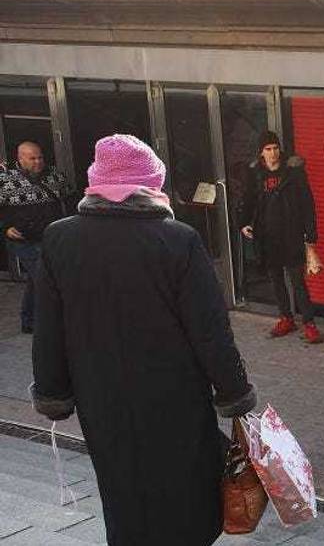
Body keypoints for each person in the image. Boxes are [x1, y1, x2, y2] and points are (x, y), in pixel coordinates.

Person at [29, 134, 256, 546]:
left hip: (101, 398)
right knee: (186, 494)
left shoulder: (60, 238)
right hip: (176, 397)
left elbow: (48, 329)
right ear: (151, 185)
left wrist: (53, 392)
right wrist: (234, 392)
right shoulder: (177, 240)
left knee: (124, 490)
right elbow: (210, 331)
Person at [240, 130, 323, 343]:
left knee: (297, 281)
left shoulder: (293, 171)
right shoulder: (255, 173)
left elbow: (307, 204)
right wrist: (244, 223)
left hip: (292, 234)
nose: (273, 153)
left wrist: (310, 235)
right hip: (267, 236)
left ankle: (309, 323)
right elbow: (248, 200)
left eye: (275, 148)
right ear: (261, 152)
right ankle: (286, 317)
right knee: (276, 280)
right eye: (268, 149)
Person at [0, 141, 74, 334]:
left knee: (37, 280)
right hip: (23, 239)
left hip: (51, 236)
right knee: (45, 278)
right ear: (20, 158)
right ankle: (55, 323)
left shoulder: (55, 176)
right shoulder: (5, 180)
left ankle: (29, 320)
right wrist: (5, 227)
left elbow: (69, 200)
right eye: (32, 158)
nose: (38, 162)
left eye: (40, 157)